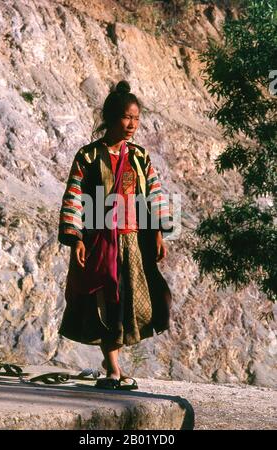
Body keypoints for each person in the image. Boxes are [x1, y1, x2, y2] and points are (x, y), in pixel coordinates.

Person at [57, 80, 174, 390]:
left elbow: (154, 194)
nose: (131, 124)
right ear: (109, 117)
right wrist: (77, 238)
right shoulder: (89, 157)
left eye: (135, 118)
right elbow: (74, 196)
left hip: (132, 240)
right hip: (99, 239)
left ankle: (115, 367)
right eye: (125, 117)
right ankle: (113, 368)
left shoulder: (139, 156)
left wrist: (158, 233)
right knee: (107, 299)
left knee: (127, 301)